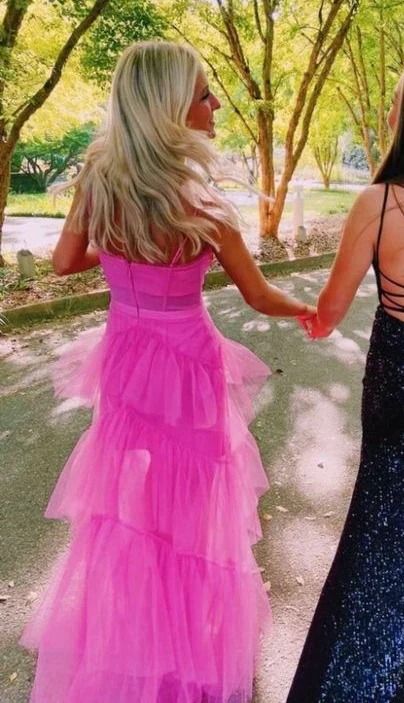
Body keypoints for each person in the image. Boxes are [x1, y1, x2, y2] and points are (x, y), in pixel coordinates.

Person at [20, 40, 314, 703]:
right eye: (205, 93)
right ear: (171, 106)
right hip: (189, 370)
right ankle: (186, 657)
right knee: (193, 521)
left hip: (126, 361)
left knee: (130, 514)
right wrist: (309, 308)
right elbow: (259, 294)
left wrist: (120, 254)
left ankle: (133, 642)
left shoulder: (100, 183)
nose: (215, 105)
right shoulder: (203, 206)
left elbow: (64, 263)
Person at [287, 74, 404, 703]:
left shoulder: (379, 204)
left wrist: (309, 316)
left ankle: (355, 677)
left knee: (380, 525)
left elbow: (330, 310)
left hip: (396, 379)